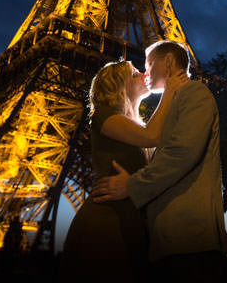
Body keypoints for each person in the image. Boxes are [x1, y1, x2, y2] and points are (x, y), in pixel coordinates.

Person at [92, 40, 227, 283]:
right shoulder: (170, 104)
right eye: (141, 69)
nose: (146, 72)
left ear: (168, 62)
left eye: (148, 65)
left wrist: (132, 185)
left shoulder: (194, 93)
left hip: (189, 237)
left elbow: (182, 154)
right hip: (167, 240)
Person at [59, 59, 187, 282]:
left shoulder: (136, 123)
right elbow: (151, 136)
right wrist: (170, 91)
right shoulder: (103, 115)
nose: (143, 74)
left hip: (131, 225)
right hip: (105, 226)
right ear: (118, 84)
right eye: (135, 72)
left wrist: (133, 184)